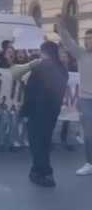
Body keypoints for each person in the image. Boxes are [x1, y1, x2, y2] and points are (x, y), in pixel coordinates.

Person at [22, 41, 68, 188]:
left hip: (37, 111)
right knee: (45, 141)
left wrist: (25, 111)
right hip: (52, 112)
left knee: (37, 143)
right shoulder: (62, 70)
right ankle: (36, 170)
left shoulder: (39, 68)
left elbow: (30, 92)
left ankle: (46, 172)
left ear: (44, 52)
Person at [58, 17, 92, 176]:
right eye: (87, 39)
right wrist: (61, 26)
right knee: (89, 133)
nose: (89, 41)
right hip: (86, 100)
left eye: (91, 39)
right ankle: (90, 163)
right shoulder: (81, 54)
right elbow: (67, 41)